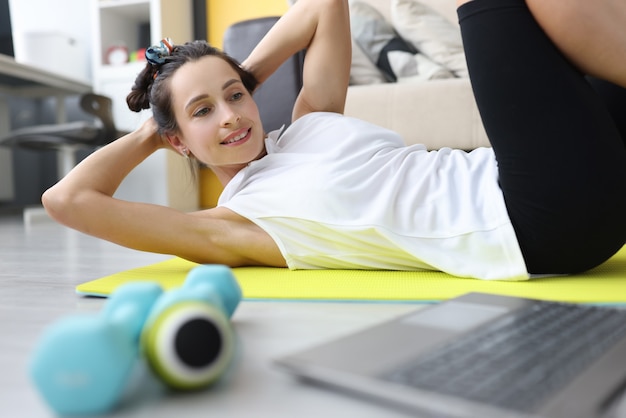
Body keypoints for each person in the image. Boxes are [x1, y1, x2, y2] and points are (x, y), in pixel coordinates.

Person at [42, 0, 626, 281]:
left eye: (236, 97)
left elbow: (324, 4)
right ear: (179, 140)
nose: (230, 116)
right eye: (203, 112)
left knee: (591, 66)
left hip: (544, 184)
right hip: (536, 222)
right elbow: (66, 201)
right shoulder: (235, 224)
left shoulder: (310, 120)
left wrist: (230, 77)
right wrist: (154, 130)